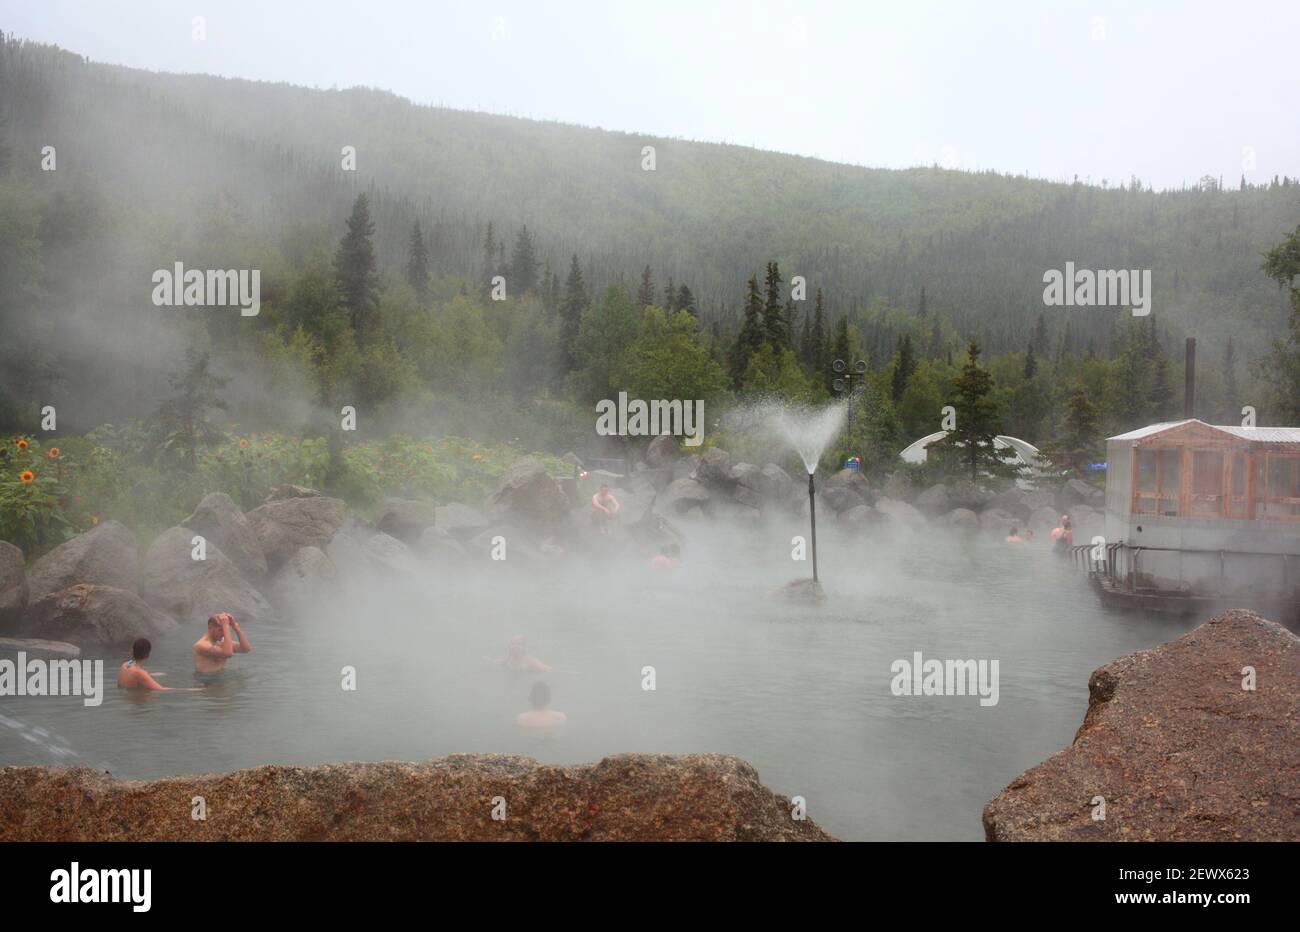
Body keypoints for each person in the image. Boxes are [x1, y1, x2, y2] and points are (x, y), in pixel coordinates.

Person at [118, 638, 202, 692]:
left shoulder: (125, 665)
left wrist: (151, 674)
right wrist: (189, 689)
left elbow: (134, 674)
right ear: (148, 654)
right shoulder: (139, 673)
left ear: (132, 651)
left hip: (126, 699)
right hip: (135, 702)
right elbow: (160, 689)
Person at [192, 611, 252, 679]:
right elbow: (228, 653)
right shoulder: (201, 645)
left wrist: (235, 627)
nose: (223, 634)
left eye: (224, 630)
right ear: (210, 627)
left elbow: (246, 649)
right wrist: (225, 626)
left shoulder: (222, 642)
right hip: (205, 681)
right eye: (220, 630)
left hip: (220, 677)